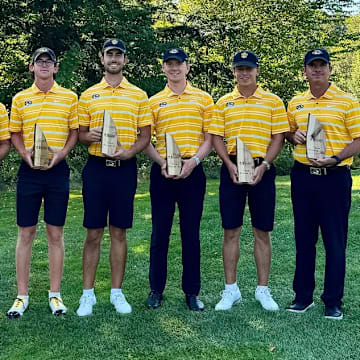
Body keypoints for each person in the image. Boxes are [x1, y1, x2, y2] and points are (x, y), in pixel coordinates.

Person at [76, 38, 151, 316]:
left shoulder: (139, 95)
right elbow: (81, 134)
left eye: (119, 54)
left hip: (124, 171)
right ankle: (87, 295)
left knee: (119, 232)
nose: (114, 59)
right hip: (96, 169)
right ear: (102, 58)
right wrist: (88, 136)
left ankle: (117, 293)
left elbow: (145, 136)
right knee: (93, 232)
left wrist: (130, 152)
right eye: (110, 54)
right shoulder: (89, 94)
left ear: (125, 60)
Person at [208, 50, 289, 311]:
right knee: (230, 231)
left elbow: (278, 137)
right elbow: (217, 137)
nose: (244, 73)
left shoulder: (273, 101)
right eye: (239, 68)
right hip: (231, 169)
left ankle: (262, 290)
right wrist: (228, 164)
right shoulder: (223, 102)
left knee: (261, 232)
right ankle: (231, 290)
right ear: (234, 72)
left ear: (256, 70)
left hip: (261, 169)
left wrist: (265, 165)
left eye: (248, 68)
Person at [286, 48, 360, 320]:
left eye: (322, 65)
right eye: (311, 66)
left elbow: (358, 139)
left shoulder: (347, 101)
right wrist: (294, 136)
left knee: (334, 240)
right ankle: (303, 297)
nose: (317, 70)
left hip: (334, 178)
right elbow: (288, 134)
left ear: (330, 69)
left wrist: (337, 157)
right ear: (304, 71)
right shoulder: (295, 102)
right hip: (303, 176)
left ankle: (333, 300)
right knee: (304, 239)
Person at [7, 47, 79, 319]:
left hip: (57, 171)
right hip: (29, 172)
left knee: (55, 233)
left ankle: (55, 295)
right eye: (40, 62)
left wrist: (61, 154)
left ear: (56, 68)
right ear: (32, 67)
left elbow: (74, 132)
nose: (45, 65)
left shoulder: (69, 97)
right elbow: (14, 133)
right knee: (25, 233)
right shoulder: (20, 98)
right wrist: (25, 154)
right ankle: (21, 296)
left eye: (49, 61)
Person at [144, 48, 213, 311]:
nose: (174, 68)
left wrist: (193, 162)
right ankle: (156, 290)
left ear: (187, 67)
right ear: (163, 68)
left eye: (178, 64)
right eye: (169, 64)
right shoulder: (153, 101)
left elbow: (209, 138)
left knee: (190, 233)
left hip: (192, 171)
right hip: (162, 172)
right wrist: (162, 163)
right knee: (159, 233)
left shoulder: (204, 99)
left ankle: (192, 292)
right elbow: (145, 139)